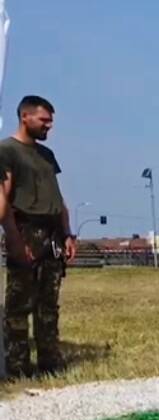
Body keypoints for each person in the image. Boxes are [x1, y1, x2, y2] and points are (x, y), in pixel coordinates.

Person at [0, 95, 77, 379]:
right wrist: (16, 241)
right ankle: (19, 367)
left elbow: (58, 198)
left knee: (48, 304)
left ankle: (49, 362)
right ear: (25, 117)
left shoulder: (46, 155)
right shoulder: (6, 151)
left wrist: (67, 234)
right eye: (44, 120)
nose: (50, 126)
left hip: (52, 233)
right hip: (25, 230)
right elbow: (3, 202)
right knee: (19, 306)